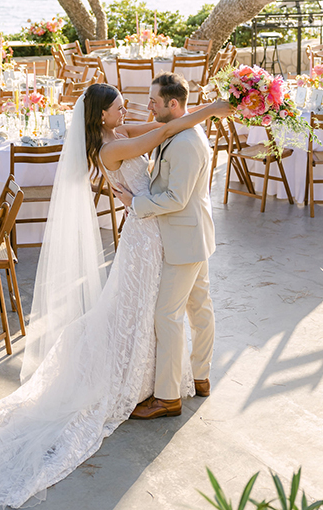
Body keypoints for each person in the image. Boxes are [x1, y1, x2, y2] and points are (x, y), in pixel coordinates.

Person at [0, 82, 231, 510]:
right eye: (118, 107)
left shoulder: (120, 132)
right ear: (101, 117)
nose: (127, 110)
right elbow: (165, 131)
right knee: (138, 308)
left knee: (152, 308)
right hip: (144, 236)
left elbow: (159, 125)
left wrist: (203, 112)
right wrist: (216, 108)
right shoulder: (110, 150)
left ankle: (155, 378)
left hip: (155, 231)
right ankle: (141, 380)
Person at [113, 73, 218, 420]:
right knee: (199, 306)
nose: (148, 106)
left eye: (154, 102)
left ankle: (168, 397)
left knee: (167, 314)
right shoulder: (177, 130)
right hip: (193, 234)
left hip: (183, 238)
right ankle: (200, 375)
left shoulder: (187, 142)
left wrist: (134, 203)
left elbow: (176, 197)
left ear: (173, 104)